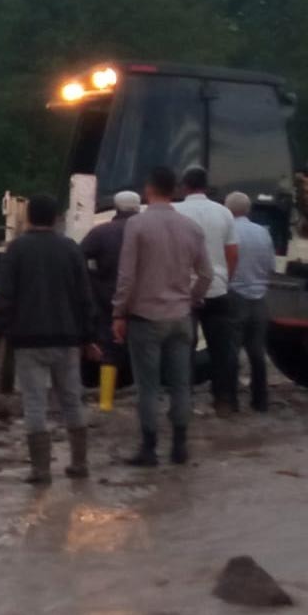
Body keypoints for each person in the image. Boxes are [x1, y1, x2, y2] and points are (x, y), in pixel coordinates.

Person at [0, 193, 99, 484]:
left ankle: (41, 470)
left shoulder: (16, 250)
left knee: (34, 403)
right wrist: (89, 338)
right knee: (72, 400)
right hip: (67, 339)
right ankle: (79, 463)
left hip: (28, 340)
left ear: (29, 217)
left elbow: (5, 298)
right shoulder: (71, 249)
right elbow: (85, 297)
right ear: (57, 219)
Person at [114, 167, 212, 467]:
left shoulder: (137, 226)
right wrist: (191, 299)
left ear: (149, 189)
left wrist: (119, 311)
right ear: (175, 190)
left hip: (146, 316)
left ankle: (149, 448)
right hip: (181, 316)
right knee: (182, 384)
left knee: (148, 386)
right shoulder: (191, 228)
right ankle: (180, 446)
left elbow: (127, 276)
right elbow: (207, 273)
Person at [173, 167, 239, 416]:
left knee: (182, 349)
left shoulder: (176, 212)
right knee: (223, 349)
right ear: (205, 186)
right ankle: (224, 401)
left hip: (182, 293)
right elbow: (233, 253)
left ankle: (183, 402)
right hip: (218, 289)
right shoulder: (224, 212)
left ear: (184, 187)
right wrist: (224, 280)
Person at [226, 192, 277, 413]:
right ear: (248, 210)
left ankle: (230, 401)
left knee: (230, 351)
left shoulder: (228, 232)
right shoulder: (263, 233)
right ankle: (260, 400)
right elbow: (271, 266)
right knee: (257, 352)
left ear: (227, 210)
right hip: (259, 296)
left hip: (234, 294)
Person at [79, 190, 140, 370]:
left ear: (116, 207)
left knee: (109, 348)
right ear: (138, 207)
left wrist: (92, 280)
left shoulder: (101, 232)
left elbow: (77, 258)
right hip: (144, 299)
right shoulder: (150, 231)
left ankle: (107, 394)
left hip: (107, 297)